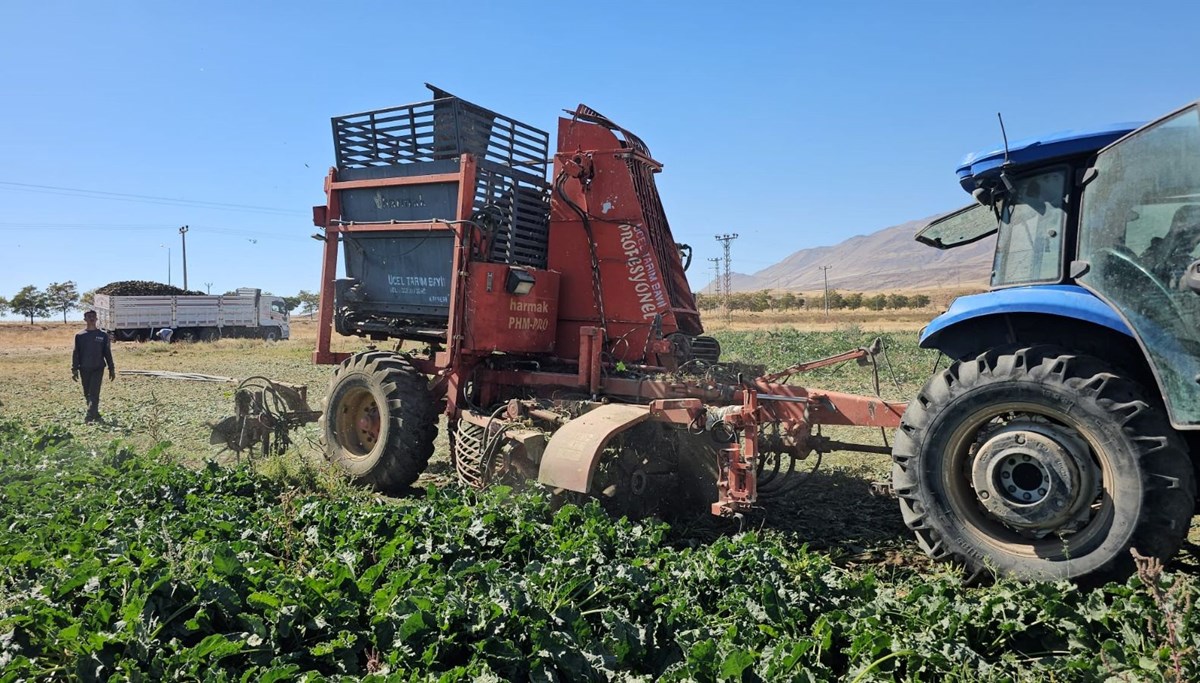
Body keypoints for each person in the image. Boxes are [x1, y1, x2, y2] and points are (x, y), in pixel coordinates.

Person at [72, 310, 116, 423]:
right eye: (89, 316)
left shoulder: (103, 335)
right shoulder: (80, 336)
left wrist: (111, 368)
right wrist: (74, 369)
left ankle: (89, 416)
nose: (91, 318)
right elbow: (76, 352)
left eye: (93, 316)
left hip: (98, 367)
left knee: (94, 392)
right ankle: (95, 413)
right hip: (84, 368)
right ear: (85, 319)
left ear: (96, 319)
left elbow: (107, 352)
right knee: (87, 393)